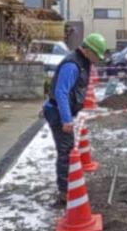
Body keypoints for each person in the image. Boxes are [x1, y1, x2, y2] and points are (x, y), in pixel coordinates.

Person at [43, 33, 107, 206]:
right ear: (87, 50)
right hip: (57, 112)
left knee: (68, 148)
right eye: (95, 55)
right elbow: (61, 92)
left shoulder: (83, 62)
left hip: (62, 111)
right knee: (66, 151)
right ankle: (64, 194)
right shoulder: (72, 65)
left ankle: (68, 186)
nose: (96, 60)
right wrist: (66, 120)